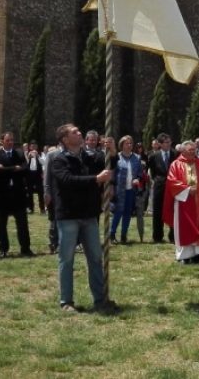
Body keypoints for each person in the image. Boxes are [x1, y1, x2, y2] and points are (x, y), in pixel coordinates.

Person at [50, 123, 114, 313]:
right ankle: (66, 301)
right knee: (67, 259)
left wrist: (113, 151)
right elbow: (68, 181)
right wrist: (95, 180)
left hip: (89, 214)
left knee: (95, 257)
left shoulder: (90, 157)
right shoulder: (58, 159)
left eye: (79, 130)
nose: (80, 133)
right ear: (65, 139)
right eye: (75, 132)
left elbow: (109, 167)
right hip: (69, 215)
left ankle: (100, 299)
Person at [163, 139, 199, 263]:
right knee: (186, 228)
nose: (193, 152)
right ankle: (185, 256)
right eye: (190, 150)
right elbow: (172, 182)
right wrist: (187, 189)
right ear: (183, 151)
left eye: (194, 150)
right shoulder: (176, 164)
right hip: (184, 202)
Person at [0, 132, 33, 257]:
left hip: (18, 194)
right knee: (1, 224)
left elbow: (25, 169)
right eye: (8, 140)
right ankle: (3, 249)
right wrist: (15, 168)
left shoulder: (19, 153)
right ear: (2, 141)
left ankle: (25, 248)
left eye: (12, 140)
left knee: (22, 224)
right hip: (2, 195)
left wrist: (5, 169)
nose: (10, 142)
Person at [110, 136, 144, 244]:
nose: (129, 145)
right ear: (122, 145)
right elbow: (113, 173)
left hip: (131, 190)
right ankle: (112, 234)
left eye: (130, 143)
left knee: (128, 213)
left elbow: (139, 173)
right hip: (119, 189)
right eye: (126, 143)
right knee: (118, 212)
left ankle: (124, 235)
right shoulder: (117, 157)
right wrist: (112, 186)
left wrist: (137, 179)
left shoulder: (137, 158)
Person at [148, 133, 174, 244]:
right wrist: (158, 181)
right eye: (166, 142)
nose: (169, 144)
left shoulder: (175, 154)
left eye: (170, 142)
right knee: (158, 211)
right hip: (159, 187)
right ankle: (157, 236)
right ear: (160, 144)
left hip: (173, 187)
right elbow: (153, 172)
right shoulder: (154, 156)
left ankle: (173, 235)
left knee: (173, 211)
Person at [27, 145, 45, 214]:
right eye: (32, 147)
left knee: (40, 192)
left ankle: (42, 209)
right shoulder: (27, 154)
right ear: (30, 148)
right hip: (30, 175)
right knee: (30, 193)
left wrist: (38, 156)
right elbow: (25, 164)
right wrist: (28, 157)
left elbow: (43, 163)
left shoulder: (41, 154)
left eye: (34, 147)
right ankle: (31, 209)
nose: (33, 149)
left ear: (36, 147)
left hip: (38, 175)